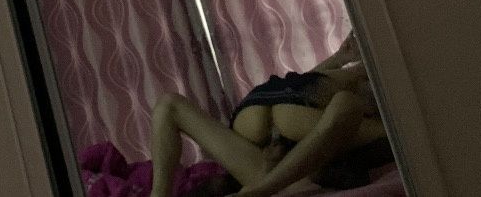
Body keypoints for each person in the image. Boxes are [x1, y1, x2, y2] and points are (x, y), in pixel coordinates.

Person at [150, 31, 390, 197]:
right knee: (168, 105)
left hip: (278, 170)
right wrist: (339, 61)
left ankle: (262, 189)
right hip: (274, 151)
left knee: (343, 103)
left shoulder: (372, 120)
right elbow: (298, 90)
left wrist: (345, 66)